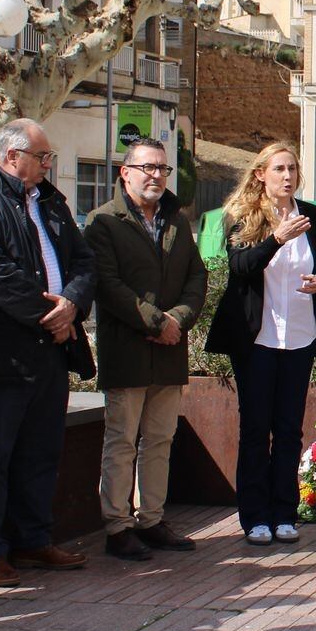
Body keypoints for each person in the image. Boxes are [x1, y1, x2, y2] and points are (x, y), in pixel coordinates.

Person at [0, 120, 95, 587]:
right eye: (42, 156)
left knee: (41, 453)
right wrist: (50, 315)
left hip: (50, 352)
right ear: (12, 157)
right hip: (2, 356)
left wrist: (71, 304)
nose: (48, 164)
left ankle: (34, 539)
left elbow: (83, 261)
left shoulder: (51, 202)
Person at [203, 142, 316, 545]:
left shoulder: (312, 215)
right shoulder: (242, 214)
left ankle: (285, 514)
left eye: (292, 169)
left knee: (288, 430)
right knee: (255, 428)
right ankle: (255, 518)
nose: (287, 176)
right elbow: (240, 267)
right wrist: (276, 239)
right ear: (260, 174)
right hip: (257, 338)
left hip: (300, 335)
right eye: (279, 169)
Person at [86, 139, 207, 561]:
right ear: (125, 172)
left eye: (162, 169)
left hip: (169, 351)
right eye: (147, 168)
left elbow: (197, 277)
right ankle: (117, 527)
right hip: (128, 350)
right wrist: (157, 322)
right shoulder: (103, 221)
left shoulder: (177, 220)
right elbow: (108, 286)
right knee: (121, 441)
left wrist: (178, 320)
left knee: (159, 439)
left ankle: (151, 520)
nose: (156, 176)